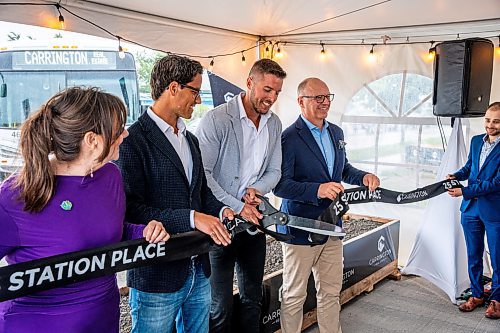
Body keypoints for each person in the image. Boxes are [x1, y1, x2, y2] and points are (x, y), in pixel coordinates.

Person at [0, 87, 169, 333]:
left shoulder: (110, 175)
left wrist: (144, 232)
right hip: (34, 323)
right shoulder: (16, 194)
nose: (125, 133)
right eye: (118, 128)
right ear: (92, 140)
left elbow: (110, 229)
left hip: (103, 318)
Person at [116, 54, 234, 333]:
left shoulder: (190, 139)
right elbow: (131, 209)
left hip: (198, 268)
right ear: (173, 88)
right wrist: (193, 218)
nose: (199, 100)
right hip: (156, 273)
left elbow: (202, 193)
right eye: (194, 91)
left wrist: (222, 210)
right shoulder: (133, 141)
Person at [274, 78, 380, 333]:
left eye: (327, 97)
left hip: (333, 226)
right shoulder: (288, 138)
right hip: (299, 229)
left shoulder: (336, 132)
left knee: (331, 293)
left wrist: (363, 176)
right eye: (317, 98)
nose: (324, 103)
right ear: (301, 101)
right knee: (294, 295)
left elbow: (342, 169)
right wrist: (316, 190)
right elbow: (280, 186)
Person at [197, 59, 286, 333]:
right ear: (249, 83)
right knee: (220, 306)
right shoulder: (217, 119)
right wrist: (237, 206)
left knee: (252, 299)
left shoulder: (274, 124)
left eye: (277, 93)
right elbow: (203, 176)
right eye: (267, 89)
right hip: (219, 226)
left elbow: (275, 171)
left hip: (254, 225)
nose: (271, 98)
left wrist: (257, 189)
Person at [447, 102, 500, 319]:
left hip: (494, 211)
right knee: (473, 255)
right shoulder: (476, 140)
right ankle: (477, 295)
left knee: (497, 258)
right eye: (487, 120)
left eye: (496, 121)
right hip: (470, 210)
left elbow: (497, 183)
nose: (490, 125)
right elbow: (470, 167)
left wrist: (464, 191)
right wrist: (456, 175)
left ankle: (496, 301)